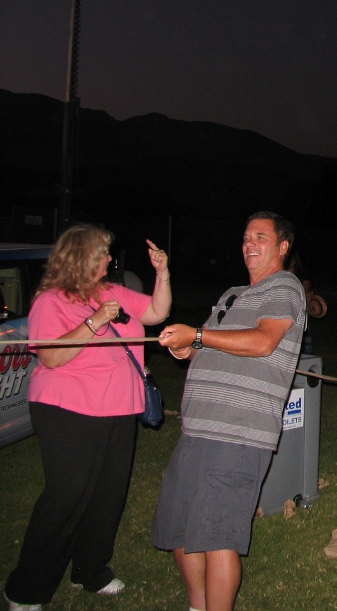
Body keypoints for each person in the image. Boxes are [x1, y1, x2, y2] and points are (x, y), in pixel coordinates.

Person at [4, 227, 171, 611]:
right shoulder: (51, 301)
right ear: (79, 258)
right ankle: (25, 588)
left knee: (108, 495)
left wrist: (162, 273)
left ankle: (90, 569)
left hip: (119, 406)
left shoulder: (113, 291)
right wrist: (95, 321)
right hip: (68, 410)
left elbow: (158, 312)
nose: (109, 261)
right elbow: (50, 357)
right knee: (67, 496)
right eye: (102, 255)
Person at [152, 212, 306, 611]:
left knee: (217, 534)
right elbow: (211, 343)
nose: (249, 243)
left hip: (239, 432)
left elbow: (263, 342)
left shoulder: (284, 287)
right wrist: (188, 348)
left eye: (260, 236)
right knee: (180, 526)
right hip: (198, 427)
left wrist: (198, 335)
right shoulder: (232, 294)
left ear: (282, 247)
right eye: (245, 237)